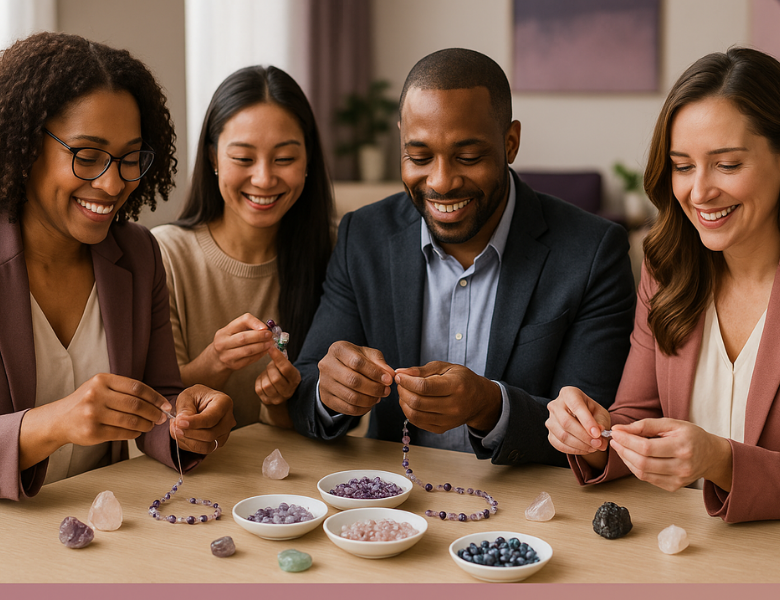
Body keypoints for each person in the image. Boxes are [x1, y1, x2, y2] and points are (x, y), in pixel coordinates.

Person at [286, 48, 636, 466]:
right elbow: (305, 385)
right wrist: (331, 392)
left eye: (467, 158)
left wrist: (491, 407)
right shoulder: (364, 236)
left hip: (531, 512)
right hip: (394, 503)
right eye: (418, 157)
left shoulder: (593, 252)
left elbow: (594, 433)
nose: (441, 182)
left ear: (511, 142)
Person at [545, 47, 780, 523]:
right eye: (682, 165)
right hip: (683, 554)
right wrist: (593, 437)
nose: (699, 192)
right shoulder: (668, 265)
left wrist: (722, 462)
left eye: (728, 165)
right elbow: (636, 416)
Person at [0, 32, 235, 502]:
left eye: (130, 159)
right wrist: (52, 423)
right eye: (87, 157)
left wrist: (186, 422)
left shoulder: (137, 254)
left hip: (98, 530)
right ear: (25, 148)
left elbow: (159, 397)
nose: (112, 184)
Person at [152, 66, 334, 429]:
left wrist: (283, 401)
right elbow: (158, 408)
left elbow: (332, 421)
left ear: (308, 160)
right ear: (212, 158)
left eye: (284, 159)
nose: (264, 178)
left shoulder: (334, 248)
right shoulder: (165, 253)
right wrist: (215, 361)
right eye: (243, 159)